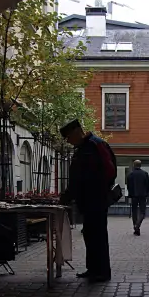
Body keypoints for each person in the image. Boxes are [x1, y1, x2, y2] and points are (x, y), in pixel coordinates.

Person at [59, 119, 116, 282]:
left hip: (95, 200)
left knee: (97, 236)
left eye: (68, 137)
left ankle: (102, 271)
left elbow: (83, 177)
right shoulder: (88, 146)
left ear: (76, 132)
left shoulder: (93, 146)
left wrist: (70, 196)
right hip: (91, 199)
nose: (68, 141)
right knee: (91, 235)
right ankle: (93, 269)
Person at [126, 159, 149, 236]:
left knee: (134, 211)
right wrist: (147, 193)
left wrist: (130, 194)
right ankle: (138, 224)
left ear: (134, 165)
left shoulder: (130, 175)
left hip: (134, 195)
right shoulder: (145, 174)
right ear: (140, 165)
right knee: (142, 212)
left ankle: (135, 226)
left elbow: (129, 186)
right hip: (142, 195)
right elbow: (147, 185)